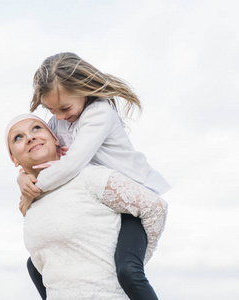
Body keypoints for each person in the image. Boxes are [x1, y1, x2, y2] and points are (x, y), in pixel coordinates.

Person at [17, 52, 171, 299]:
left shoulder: (99, 114)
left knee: (127, 271)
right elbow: (47, 161)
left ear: (83, 89)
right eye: (50, 109)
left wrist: (34, 191)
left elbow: (71, 165)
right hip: (98, 207)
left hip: (131, 204)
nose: (57, 117)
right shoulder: (61, 120)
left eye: (64, 108)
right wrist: (23, 179)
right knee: (34, 266)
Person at [6, 114, 167, 300]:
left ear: (55, 139)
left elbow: (155, 207)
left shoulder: (89, 176)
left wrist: (133, 264)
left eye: (36, 128)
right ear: (13, 158)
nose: (30, 137)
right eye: (18, 137)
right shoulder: (30, 203)